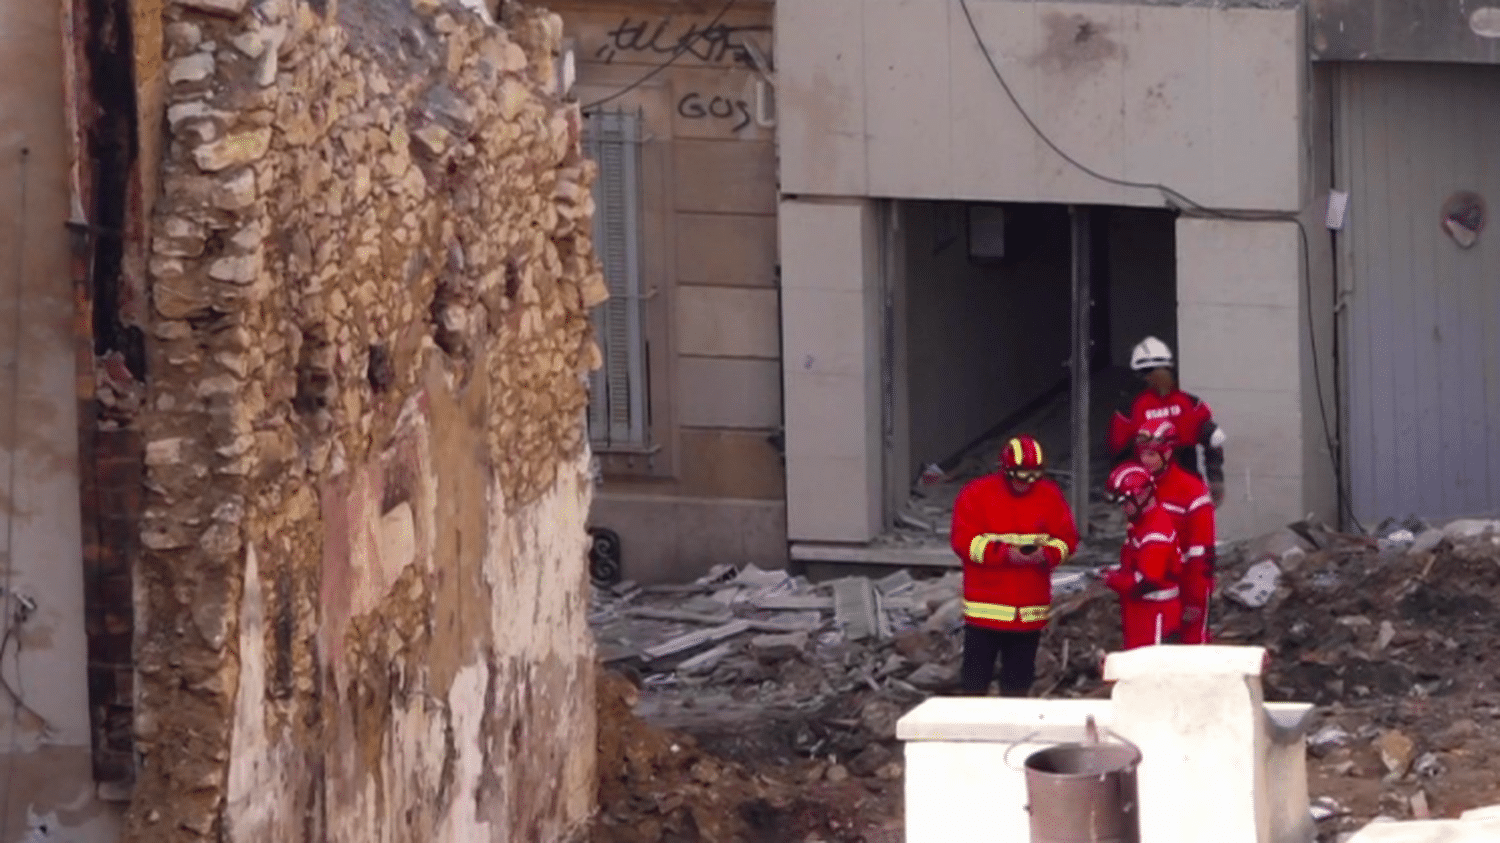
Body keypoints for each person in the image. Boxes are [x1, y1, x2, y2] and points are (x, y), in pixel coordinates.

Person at [949, 435, 1079, 697]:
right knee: (974, 686)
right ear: (1006, 470)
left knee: (1018, 688)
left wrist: (1047, 554)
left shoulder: (1049, 494)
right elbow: (963, 542)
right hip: (986, 612)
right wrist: (1006, 554)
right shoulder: (977, 494)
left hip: (1029, 615)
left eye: (1033, 476)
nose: (1027, 484)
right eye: (1021, 476)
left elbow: (1068, 540)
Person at [1106, 336, 1228, 506]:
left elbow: (1119, 455)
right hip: (1180, 490)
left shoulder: (1129, 411)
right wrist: (1215, 478)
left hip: (1156, 493)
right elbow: (1214, 440)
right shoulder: (1191, 404)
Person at [1134, 420, 1217, 644]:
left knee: (1191, 651)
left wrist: (1195, 600)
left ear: (1168, 452)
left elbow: (1201, 553)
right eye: (1143, 455)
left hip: (1188, 585)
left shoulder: (1192, 491)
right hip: (1153, 590)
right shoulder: (1139, 488)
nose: (1145, 461)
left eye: (1152, 455)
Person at [1102, 462, 1183, 650]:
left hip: (1155, 619)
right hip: (1143, 616)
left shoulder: (1155, 533)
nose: (1123, 509)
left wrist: (1111, 579)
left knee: (1150, 672)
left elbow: (1145, 582)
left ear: (1141, 496)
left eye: (1124, 503)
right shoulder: (1144, 525)